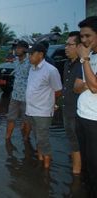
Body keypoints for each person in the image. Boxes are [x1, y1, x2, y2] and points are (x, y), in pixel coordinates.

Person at [26, 43, 62, 169]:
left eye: (31, 54)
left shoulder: (51, 70)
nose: (29, 56)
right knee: (37, 136)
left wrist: (50, 103)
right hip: (31, 110)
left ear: (41, 55)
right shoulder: (32, 68)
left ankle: (46, 169)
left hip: (43, 111)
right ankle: (41, 160)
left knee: (43, 139)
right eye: (29, 54)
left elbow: (58, 90)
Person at [73, 16, 97, 197]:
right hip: (82, 116)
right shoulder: (88, 57)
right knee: (88, 164)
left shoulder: (86, 57)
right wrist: (89, 83)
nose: (84, 40)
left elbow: (94, 87)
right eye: (82, 37)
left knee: (95, 165)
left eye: (88, 36)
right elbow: (77, 86)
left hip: (95, 121)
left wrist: (86, 59)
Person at [62, 31, 82, 175]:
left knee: (77, 144)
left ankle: (76, 175)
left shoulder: (84, 65)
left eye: (70, 45)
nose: (66, 47)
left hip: (78, 113)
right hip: (66, 110)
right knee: (73, 142)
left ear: (79, 46)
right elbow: (66, 88)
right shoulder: (67, 64)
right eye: (66, 44)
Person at [5, 40, 31, 141]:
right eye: (16, 48)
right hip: (15, 96)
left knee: (27, 120)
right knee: (10, 118)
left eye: (19, 48)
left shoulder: (30, 62)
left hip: (26, 98)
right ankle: (7, 138)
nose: (16, 49)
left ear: (25, 49)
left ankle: (26, 139)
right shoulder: (16, 61)